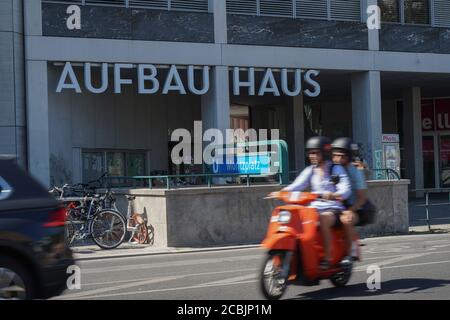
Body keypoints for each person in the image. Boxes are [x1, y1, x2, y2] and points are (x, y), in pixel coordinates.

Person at [282, 136, 352, 270]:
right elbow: (297, 185)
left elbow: (346, 188)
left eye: (315, 153)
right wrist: (282, 192)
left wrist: (335, 194)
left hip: (333, 208)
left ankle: (327, 257)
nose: (311, 156)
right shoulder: (310, 170)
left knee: (323, 219)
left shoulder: (336, 169)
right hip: (313, 209)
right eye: (310, 153)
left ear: (324, 153)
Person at [331, 137, 368, 267]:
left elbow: (362, 199)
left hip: (355, 208)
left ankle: (350, 254)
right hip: (336, 206)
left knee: (346, 220)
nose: (337, 159)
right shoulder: (331, 169)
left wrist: (350, 210)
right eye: (334, 155)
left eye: (341, 156)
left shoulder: (356, 172)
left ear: (348, 156)